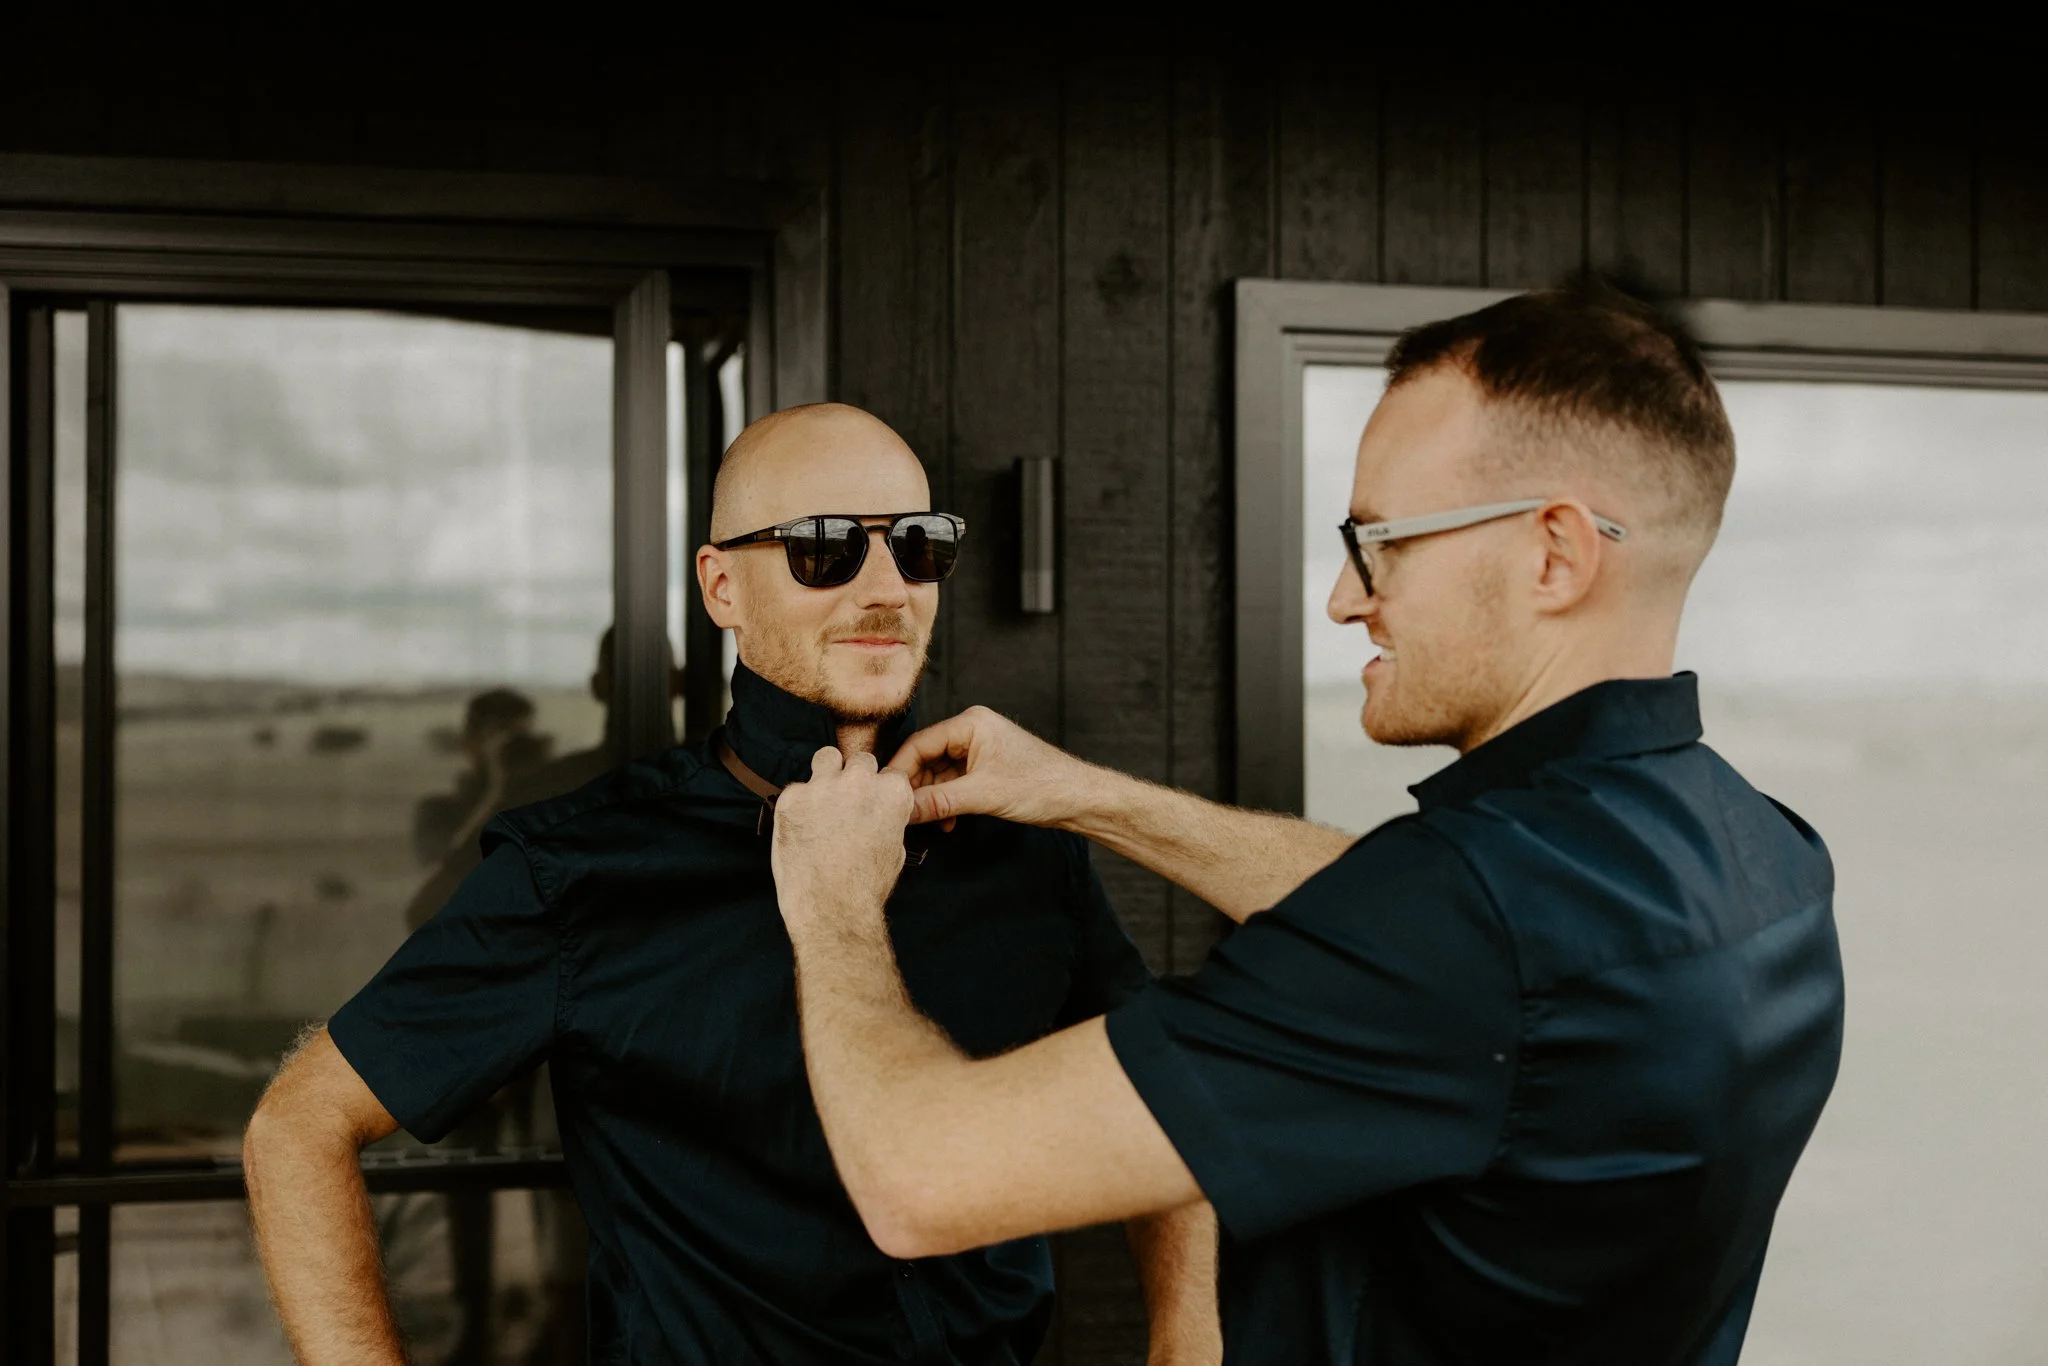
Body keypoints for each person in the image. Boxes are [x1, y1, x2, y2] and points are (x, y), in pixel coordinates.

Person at [765, 284, 1847, 1365]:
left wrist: (832, 902)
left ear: (1554, 554)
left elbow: (919, 1179)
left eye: (1380, 543)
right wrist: (1087, 794)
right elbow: (1429, 928)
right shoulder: (1770, 859)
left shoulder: (1461, 928)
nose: (1342, 597)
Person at [242, 403, 1221, 1366]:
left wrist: (1189, 1342)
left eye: (917, 544)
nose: (887, 587)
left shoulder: (1026, 847)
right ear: (721, 588)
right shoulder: (585, 870)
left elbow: (1166, 1089)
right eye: (826, 547)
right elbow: (298, 1126)